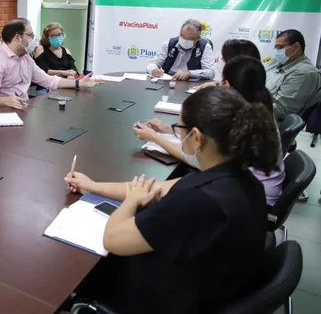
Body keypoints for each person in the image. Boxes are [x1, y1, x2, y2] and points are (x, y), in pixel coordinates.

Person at [66, 87, 277, 313]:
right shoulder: (239, 178)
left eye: (179, 129)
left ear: (196, 138)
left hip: (165, 299)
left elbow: (113, 239)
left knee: (81, 273)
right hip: (210, 284)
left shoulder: (198, 204)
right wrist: (93, 186)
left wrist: (132, 202)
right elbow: (156, 187)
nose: (178, 134)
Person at [133, 56, 284, 206]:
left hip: (249, 200)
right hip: (251, 190)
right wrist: (169, 130)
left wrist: (155, 138)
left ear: (227, 85)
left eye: (221, 83)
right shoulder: (258, 108)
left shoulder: (240, 119)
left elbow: (199, 160)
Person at [0, 19, 103, 109]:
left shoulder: (25, 57)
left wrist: (79, 83)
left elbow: (47, 80)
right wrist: (6, 101)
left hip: (22, 109)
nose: (34, 40)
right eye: (31, 36)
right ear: (18, 38)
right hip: (1, 114)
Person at [265, 29, 321, 122]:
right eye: (276, 48)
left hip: (272, 122)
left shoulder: (304, 73)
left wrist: (247, 106)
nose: (277, 52)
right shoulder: (276, 62)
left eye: (280, 47)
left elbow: (282, 110)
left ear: (296, 47)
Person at [146, 19, 215, 80]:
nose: (185, 40)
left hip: (191, 84)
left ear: (197, 39)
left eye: (190, 38)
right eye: (182, 36)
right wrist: (154, 70)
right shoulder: (169, 43)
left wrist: (189, 73)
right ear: (180, 32)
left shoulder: (204, 47)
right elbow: (152, 63)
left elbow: (210, 73)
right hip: (168, 82)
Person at [196, 39, 261, 90]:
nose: (220, 59)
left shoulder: (232, 101)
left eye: (224, 57)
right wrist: (218, 84)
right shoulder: (253, 88)